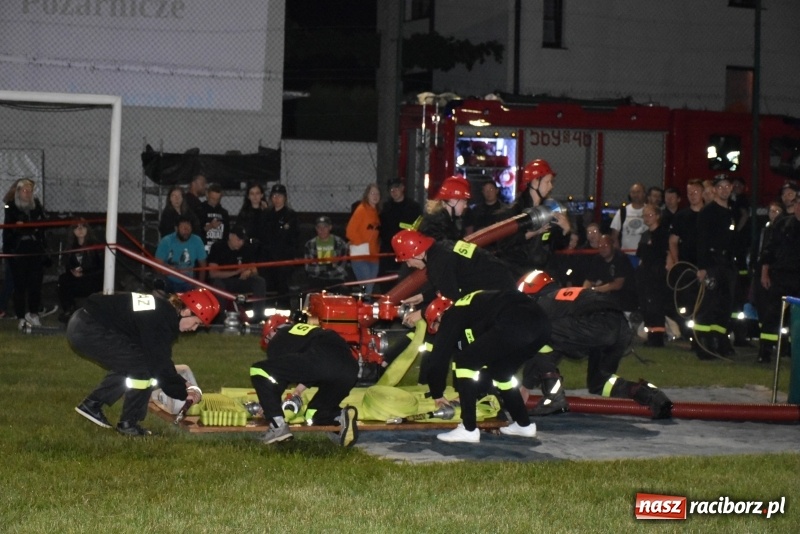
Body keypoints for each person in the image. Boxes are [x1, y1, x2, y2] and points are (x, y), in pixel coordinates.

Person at [517, 270, 673, 419]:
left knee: (540, 334)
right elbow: (560, 341)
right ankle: (651, 396)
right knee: (600, 382)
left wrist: (526, 385)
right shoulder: (566, 294)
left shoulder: (546, 302)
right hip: (621, 327)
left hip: (596, 326)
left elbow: (542, 341)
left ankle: (554, 397)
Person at [68, 288, 219, 436]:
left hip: (84, 324)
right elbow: (158, 365)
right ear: (186, 311)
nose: (193, 329)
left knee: (137, 361)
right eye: (196, 323)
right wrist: (182, 391)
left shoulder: (163, 311)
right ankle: (124, 422)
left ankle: (96, 406)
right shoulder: (161, 320)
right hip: (88, 330)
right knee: (144, 367)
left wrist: (182, 384)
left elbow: (159, 358)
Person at [424, 290, 549, 443]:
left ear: (440, 316)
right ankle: (523, 425)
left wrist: (437, 393)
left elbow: (439, 357)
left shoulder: (452, 314)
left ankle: (468, 429)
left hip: (516, 321)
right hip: (542, 326)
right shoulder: (475, 310)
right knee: (501, 372)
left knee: (465, 362)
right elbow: (486, 357)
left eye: (436, 327)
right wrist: (471, 391)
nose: (438, 333)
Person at [250, 315, 359, 446]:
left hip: (320, 361)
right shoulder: (304, 333)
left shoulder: (279, 339)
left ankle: (277, 427)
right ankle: (340, 416)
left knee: (258, 370)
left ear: (272, 332)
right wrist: (297, 391)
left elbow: (276, 378)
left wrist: (267, 405)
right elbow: (312, 367)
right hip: (349, 368)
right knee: (314, 415)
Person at [391, 229, 516, 321]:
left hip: (497, 293)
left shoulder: (438, 262)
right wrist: (423, 296)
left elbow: (450, 299)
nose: (408, 265)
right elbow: (451, 280)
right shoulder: (442, 249)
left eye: (407, 260)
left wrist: (421, 314)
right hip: (501, 283)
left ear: (418, 254)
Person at [497, 159, 571, 278]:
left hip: (539, 274)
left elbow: (555, 246)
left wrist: (566, 231)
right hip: (516, 274)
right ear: (535, 182)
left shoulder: (549, 210)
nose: (551, 186)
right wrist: (530, 234)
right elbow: (504, 246)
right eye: (547, 182)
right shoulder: (514, 212)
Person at [694, 174, 737, 359]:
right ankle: (702, 345)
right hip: (711, 263)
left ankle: (719, 341)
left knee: (724, 305)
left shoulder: (733, 212)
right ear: (714, 190)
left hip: (728, 265)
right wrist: (703, 267)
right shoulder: (708, 212)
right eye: (720, 187)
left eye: (727, 186)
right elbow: (701, 241)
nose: (724, 190)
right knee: (708, 305)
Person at [756, 198, 800, 363]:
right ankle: (765, 350)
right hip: (781, 276)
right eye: (797, 204)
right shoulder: (783, 224)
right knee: (773, 314)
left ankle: (791, 350)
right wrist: (764, 272)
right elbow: (769, 250)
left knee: (796, 317)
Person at [2, 178, 49, 328]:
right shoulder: (11, 206)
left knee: (35, 283)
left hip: (35, 248)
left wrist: (28, 228)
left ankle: (33, 313)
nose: (28, 194)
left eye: (30, 190)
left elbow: (41, 226)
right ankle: (21, 316)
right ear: (18, 192)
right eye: (24, 190)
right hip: (18, 249)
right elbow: (12, 229)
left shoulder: (37, 207)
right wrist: (23, 228)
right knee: (19, 285)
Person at [207, 225, 267, 322]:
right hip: (224, 281)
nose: (241, 243)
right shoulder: (217, 247)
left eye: (242, 240)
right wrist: (235, 272)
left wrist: (249, 271)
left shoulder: (246, 248)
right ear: (230, 236)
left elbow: (255, 269)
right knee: (217, 284)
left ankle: (258, 318)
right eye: (239, 239)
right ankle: (220, 319)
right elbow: (212, 273)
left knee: (259, 281)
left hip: (240, 281)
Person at [635, 204, 670, 346]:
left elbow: (663, 253)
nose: (647, 218)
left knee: (656, 306)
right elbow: (641, 254)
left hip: (657, 274)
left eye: (650, 215)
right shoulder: (645, 235)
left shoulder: (662, 234)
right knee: (646, 306)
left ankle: (658, 338)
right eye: (645, 215)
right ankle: (650, 335)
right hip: (645, 274)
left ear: (657, 216)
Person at [57, 219, 104, 323]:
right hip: (77, 281)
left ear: (88, 229)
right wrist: (73, 272)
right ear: (72, 231)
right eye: (76, 227)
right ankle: (69, 311)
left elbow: (101, 268)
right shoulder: (70, 247)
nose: (80, 229)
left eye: (83, 226)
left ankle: (93, 313)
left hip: (92, 280)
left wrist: (84, 273)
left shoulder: (96, 246)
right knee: (63, 280)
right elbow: (68, 267)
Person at [262, 183, 299, 304]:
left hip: (284, 258)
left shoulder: (290, 215)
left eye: (279, 196)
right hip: (269, 257)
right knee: (268, 287)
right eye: (274, 196)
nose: (276, 198)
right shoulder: (267, 215)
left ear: (285, 197)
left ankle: (285, 312)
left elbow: (294, 238)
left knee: (283, 287)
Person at [582, 234, 637, 313]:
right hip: (607, 297)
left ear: (612, 245)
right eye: (600, 246)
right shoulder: (597, 259)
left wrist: (595, 290)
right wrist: (584, 292)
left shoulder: (621, 259)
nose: (603, 248)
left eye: (606, 245)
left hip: (625, 298)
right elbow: (590, 279)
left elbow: (617, 284)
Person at [378, 178, 422, 276]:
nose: (394, 192)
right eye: (391, 189)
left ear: (402, 188)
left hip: (408, 248)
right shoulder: (386, 208)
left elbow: (419, 227)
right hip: (389, 249)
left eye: (396, 188)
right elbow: (382, 229)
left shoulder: (413, 207)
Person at [154, 216, 208, 293]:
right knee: (158, 289)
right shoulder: (166, 241)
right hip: (168, 279)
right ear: (176, 229)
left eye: (188, 227)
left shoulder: (197, 241)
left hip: (188, 281)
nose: (186, 231)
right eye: (183, 227)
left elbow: (203, 266)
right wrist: (165, 269)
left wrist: (199, 284)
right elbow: (156, 265)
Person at [346, 183, 381, 294]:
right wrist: (363, 245)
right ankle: (365, 308)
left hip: (374, 255)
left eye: (377, 193)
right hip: (361, 255)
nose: (375, 196)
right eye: (372, 193)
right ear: (367, 195)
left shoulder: (376, 212)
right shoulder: (361, 209)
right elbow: (350, 231)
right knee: (367, 287)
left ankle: (364, 308)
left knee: (368, 289)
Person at [418, 175, 471, 241]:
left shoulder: (451, 221)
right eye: (463, 201)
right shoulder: (433, 223)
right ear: (452, 199)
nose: (465, 206)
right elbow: (446, 247)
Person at [304, 215, 349, 291]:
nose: (322, 230)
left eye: (325, 227)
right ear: (316, 229)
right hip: (317, 279)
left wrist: (321, 269)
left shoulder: (340, 243)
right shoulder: (310, 245)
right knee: (304, 297)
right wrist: (329, 266)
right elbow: (308, 268)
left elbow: (341, 268)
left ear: (330, 227)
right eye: (319, 227)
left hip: (336, 279)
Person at [609, 182, 646, 257]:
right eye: (633, 192)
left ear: (644, 194)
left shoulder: (649, 211)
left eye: (638, 192)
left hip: (645, 255)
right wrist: (619, 254)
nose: (636, 195)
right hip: (626, 255)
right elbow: (614, 235)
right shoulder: (623, 212)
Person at [198, 182, 230, 252]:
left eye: (217, 199)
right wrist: (210, 226)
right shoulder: (199, 210)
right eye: (212, 198)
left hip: (219, 250)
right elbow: (196, 232)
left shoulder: (224, 213)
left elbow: (226, 234)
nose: (214, 202)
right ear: (207, 194)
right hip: (203, 248)